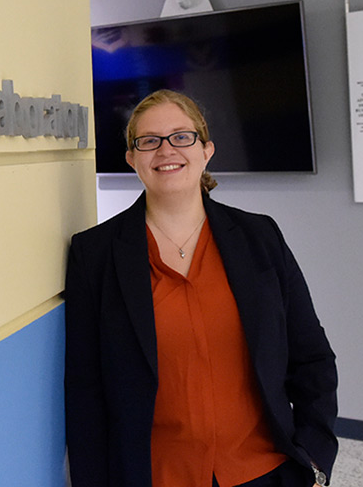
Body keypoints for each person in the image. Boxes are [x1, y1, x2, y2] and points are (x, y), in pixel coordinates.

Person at [65, 89, 337, 487]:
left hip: (264, 471)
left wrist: (314, 460)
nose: (166, 150)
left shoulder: (259, 237)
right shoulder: (95, 254)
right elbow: (86, 393)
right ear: (131, 158)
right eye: (149, 141)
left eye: (181, 136)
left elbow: (311, 357)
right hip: (156, 477)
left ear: (206, 150)